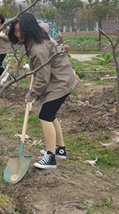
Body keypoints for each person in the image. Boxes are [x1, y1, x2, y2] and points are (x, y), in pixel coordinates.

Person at [8, 13, 76, 169]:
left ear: (29, 29)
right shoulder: (38, 34)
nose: (18, 35)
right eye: (16, 31)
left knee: (45, 116)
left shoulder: (39, 48)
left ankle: (50, 157)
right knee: (51, 115)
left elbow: (43, 79)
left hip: (60, 82)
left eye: (21, 31)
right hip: (61, 78)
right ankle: (60, 149)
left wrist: (32, 95)